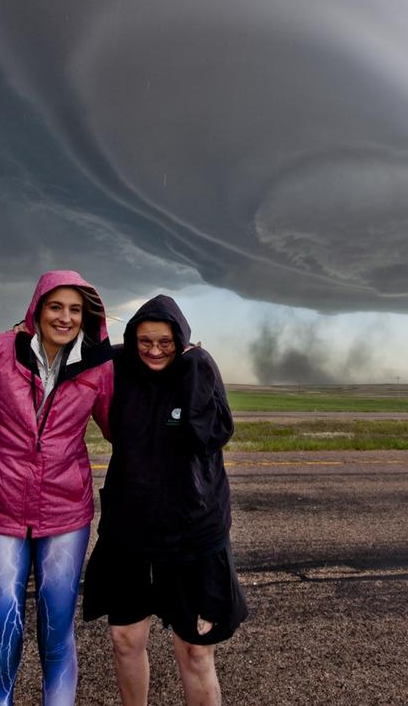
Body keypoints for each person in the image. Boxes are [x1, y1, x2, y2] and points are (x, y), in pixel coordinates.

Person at [83, 295, 247, 706]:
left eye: (166, 342)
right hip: (130, 533)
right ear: (132, 338)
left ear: (181, 339)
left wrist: (195, 366)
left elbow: (206, 436)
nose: (155, 350)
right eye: (145, 341)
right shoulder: (120, 365)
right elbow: (70, 353)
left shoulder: (198, 368)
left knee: (193, 650)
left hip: (192, 533)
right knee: (124, 640)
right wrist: (25, 332)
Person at [0, 270, 114, 705]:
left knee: (57, 634)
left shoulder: (98, 365)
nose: (65, 317)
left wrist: (181, 367)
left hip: (65, 514)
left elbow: (117, 428)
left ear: (86, 316)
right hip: (0, 510)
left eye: (75, 309)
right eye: (56, 306)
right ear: (37, 308)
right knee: (1, 638)